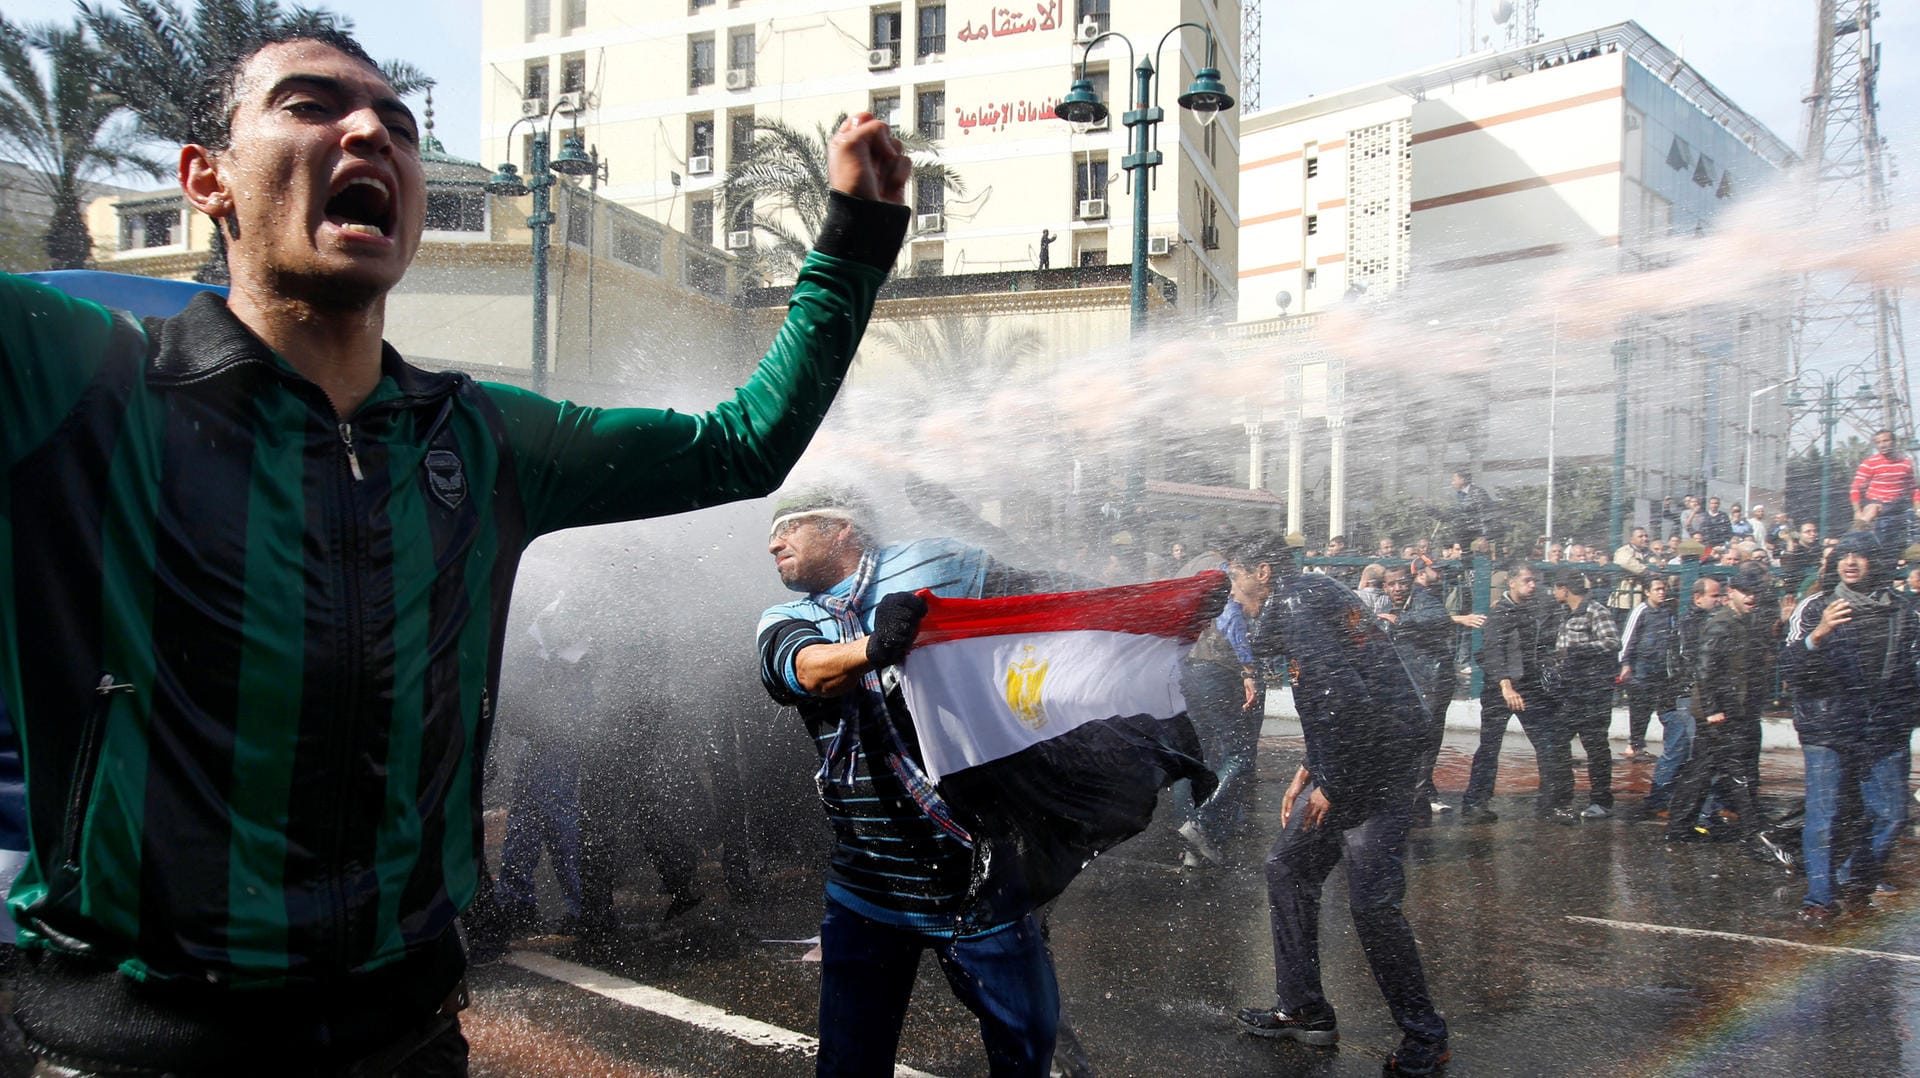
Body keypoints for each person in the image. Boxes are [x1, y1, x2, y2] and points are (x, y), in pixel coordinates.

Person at [0, 27, 912, 1072]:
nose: (369, 135)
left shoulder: (479, 437)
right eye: (309, 105)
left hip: (411, 1035)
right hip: (142, 1044)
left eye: (397, 127)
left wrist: (852, 243)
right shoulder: (82, 380)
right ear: (207, 178)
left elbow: (740, 445)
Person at [756, 486, 1082, 1077]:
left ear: (840, 529)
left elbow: (1041, 599)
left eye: (788, 528)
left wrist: (1155, 608)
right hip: (867, 886)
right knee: (849, 1064)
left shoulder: (940, 563)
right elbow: (802, 671)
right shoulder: (787, 617)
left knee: (1029, 1050)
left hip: (982, 875)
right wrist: (876, 647)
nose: (773, 543)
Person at [1233, 536, 1450, 1076]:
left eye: (1235, 580)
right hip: (1356, 757)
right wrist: (1313, 765)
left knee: (1372, 903)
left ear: (1262, 572)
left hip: (1380, 768)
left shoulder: (1297, 603)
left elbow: (1341, 696)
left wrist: (1329, 779)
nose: (1233, 596)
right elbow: (1347, 690)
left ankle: (1425, 1033)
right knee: (1288, 867)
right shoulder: (1302, 597)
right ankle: (1304, 1007)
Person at [1780, 532, 1920, 922]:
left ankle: (1851, 874)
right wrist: (1819, 633)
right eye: (1844, 556)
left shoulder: (1902, 610)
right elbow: (1789, 668)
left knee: (1892, 815)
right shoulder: (1817, 605)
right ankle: (1819, 898)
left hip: (1883, 728)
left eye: (1860, 556)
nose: (1851, 563)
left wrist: (1904, 715)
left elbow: (1912, 671)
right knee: (1824, 817)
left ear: (1876, 562)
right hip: (1828, 726)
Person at [1663, 565, 1792, 867]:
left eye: (1755, 592)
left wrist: (1781, 625)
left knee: (1701, 772)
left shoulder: (1747, 621)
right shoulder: (1722, 623)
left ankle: (1679, 827)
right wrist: (1711, 711)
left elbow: (1762, 654)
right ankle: (1752, 835)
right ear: (1730, 593)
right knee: (1738, 773)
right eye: (1745, 592)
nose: (1751, 597)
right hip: (1722, 714)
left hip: (1738, 711)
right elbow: (1705, 671)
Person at [1175, 542, 1272, 865]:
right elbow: (1231, 619)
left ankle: (1193, 842)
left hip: (1190, 667)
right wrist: (1248, 670)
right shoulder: (1227, 574)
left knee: (1201, 756)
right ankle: (1200, 825)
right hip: (1219, 669)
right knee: (1238, 754)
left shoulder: (1191, 572)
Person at [1460, 564, 1574, 824]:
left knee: (1549, 744)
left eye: (1535, 581)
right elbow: (1493, 652)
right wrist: (1505, 686)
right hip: (1500, 689)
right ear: (1511, 582)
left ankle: (1551, 805)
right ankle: (1475, 803)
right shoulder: (1500, 613)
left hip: (1530, 688)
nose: (1532, 585)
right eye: (1527, 580)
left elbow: (1541, 645)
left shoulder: (1534, 609)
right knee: (1490, 746)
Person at [1381, 564, 1485, 826]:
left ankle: (1417, 801)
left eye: (1402, 583)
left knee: (1425, 740)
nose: (1397, 589)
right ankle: (1420, 793)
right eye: (1391, 584)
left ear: (1412, 581)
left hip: (1434, 682)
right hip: (1413, 681)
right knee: (1409, 740)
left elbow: (1438, 617)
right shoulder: (1391, 603)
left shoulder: (1422, 598)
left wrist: (1401, 621)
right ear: (1384, 587)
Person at [1550, 572, 1620, 818]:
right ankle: (1562, 801)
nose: (1553, 594)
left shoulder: (1595, 611)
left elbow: (1612, 642)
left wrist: (1578, 650)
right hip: (1570, 691)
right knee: (1557, 743)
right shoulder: (1564, 613)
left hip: (1593, 691)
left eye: (1555, 589)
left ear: (1565, 588)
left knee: (1596, 746)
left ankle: (1601, 802)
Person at [1618, 577, 1680, 762]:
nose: (1662, 592)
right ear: (1647, 592)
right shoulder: (1641, 611)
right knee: (1639, 708)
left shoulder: (1668, 613)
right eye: (1657, 589)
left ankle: (1641, 745)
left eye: (1664, 589)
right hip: (1641, 668)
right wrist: (1625, 663)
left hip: (1660, 669)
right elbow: (1627, 639)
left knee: (1662, 708)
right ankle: (1634, 745)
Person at [1850, 429, 1920, 551]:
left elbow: (1914, 490)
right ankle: (1852, 543)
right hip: (1876, 502)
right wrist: (1857, 511)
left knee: (1915, 518)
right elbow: (1855, 488)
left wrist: (1918, 509)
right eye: (1878, 442)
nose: (1882, 444)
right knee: (1870, 512)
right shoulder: (1870, 463)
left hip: (1898, 504)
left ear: (1894, 442)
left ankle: (1913, 551)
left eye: (1885, 441)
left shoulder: (1905, 463)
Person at [1610, 526, 1654, 626]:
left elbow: (1656, 564)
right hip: (1625, 599)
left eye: (1646, 536)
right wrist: (1646, 570)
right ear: (1631, 539)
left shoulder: (1648, 553)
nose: (1645, 539)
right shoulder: (1624, 551)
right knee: (1624, 626)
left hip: (1643, 598)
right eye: (1641, 536)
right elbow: (1625, 561)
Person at [1450, 469, 1495, 549]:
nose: (1452, 483)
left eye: (1454, 480)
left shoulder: (1477, 493)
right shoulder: (1459, 495)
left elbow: (1486, 514)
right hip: (1466, 537)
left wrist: (1485, 537)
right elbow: (1457, 516)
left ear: (1462, 480)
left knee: (1480, 560)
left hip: (1477, 537)